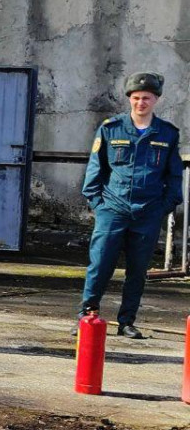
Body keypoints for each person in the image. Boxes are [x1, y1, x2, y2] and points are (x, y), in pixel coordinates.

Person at [78, 72, 183, 339]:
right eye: (135, 98)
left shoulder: (167, 134)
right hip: (112, 210)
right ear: (129, 99)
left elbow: (173, 176)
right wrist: (98, 203)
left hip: (148, 212)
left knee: (137, 270)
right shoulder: (111, 129)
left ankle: (127, 321)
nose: (140, 103)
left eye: (146, 98)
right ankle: (87, 316)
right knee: (100, 265)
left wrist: (163, 207)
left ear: (156, 99)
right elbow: (95, 170)